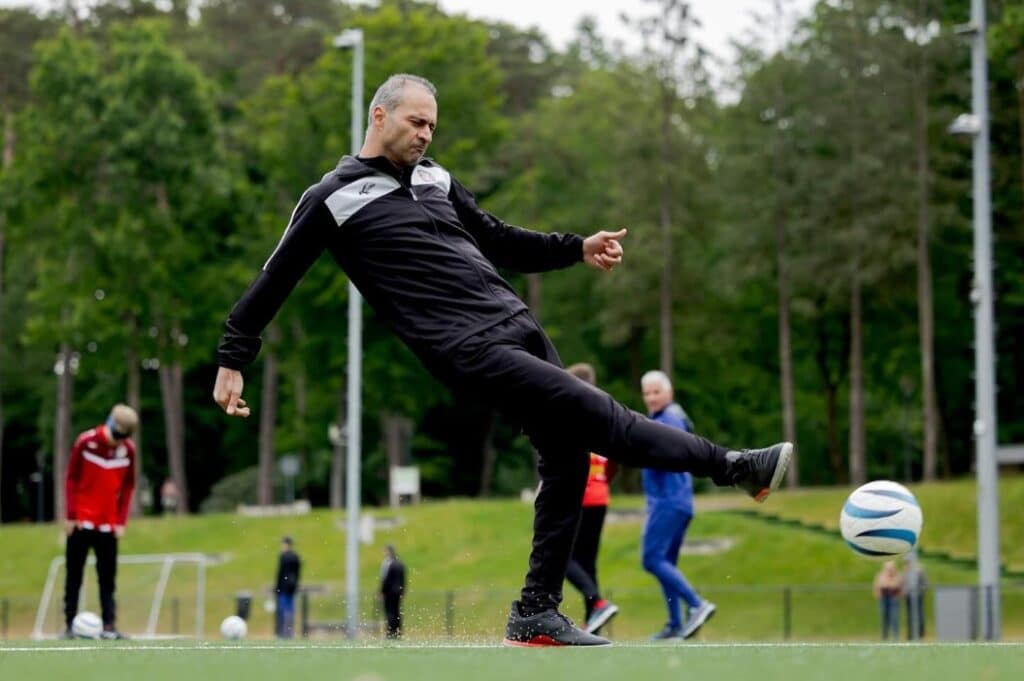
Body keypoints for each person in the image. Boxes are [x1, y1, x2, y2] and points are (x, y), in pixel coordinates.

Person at [212, 73, 792, 647]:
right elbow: (274, 279)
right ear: (380, 116)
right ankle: (734, 466)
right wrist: (234, 357)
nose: (426, 135)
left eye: (433, 125)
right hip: (468, 348)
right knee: (601, 415)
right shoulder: (332, 197)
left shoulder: (437, 177)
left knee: (567, 459)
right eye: (417, 122)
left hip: (519, 327)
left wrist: (576, 247)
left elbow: (499, 238)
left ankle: (536, 612)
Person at [639, 371, 716, 640]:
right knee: (665, 562)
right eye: (646, 393)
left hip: (667, 502)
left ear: (669, 393)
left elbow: (666, 455)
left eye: (656, 392)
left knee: (651, 560)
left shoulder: (667, 420)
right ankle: (675, 624)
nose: (651, 397)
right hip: (681, 502)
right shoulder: (671, 419)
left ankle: (697, 604)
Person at [63, 404, 138, 640]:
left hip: (109, 525)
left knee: (107, 578)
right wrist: (70, 514)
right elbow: (71, 478)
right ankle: (69, 625)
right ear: (109, 423)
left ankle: (109, 625)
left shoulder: (128, 451)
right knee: (73, 575)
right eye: (116, 435)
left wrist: (121, 520)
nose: (118, 441)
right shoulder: (85, 442)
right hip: (81, 522)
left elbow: (128, 486)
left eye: (123, 438)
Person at [562, 363, 619, 635]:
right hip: (601, 495)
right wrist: (604, 480)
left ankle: (597, 602)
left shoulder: (572, 410)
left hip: (579, 495)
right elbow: (616, 454)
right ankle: (593, 622)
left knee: (561, 557)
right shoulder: (604, 409)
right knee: (587, 560)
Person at [274, 536, 301, 638]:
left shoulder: (284, 556)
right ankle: (289, 632)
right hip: (291, 588)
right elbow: (297, 574)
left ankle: (283, 632)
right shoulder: (295, 556)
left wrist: (277, 587)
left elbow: (280, 574)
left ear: (286, 544)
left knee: (283, 610)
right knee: (290, 610)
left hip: (284, 588)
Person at [380, 544, 407, 639]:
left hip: (389, 592)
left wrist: (382, 591)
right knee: (397, 612)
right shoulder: (400, 563)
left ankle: (391, 632)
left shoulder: (388, 563)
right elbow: (403, 580)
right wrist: (403, 591)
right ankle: (398, 632)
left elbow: (386, 580)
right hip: (398, 592)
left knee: (390, 612)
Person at [873, 560, 904, 640]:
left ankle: (895, 636)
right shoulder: (880, 575)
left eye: (891, 568)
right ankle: (884, 636)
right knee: (884, 617)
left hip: (894, 597)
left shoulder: (898, 575)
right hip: (884, 598)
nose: (890, 570)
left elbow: (898, 585)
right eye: (888, 568)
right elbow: (877, 586)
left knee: (894, 617)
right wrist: (878, 593)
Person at [903, 551, 927, 640]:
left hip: (918, 595)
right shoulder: (905, 571)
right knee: (909, 616)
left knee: (920, 614)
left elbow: (924, 583)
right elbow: (904, 583)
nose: (907, 563)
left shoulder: (919, 570)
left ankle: (921, 634)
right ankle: (910, 634)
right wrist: (904, 591)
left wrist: (921, 591)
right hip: (908, 596)